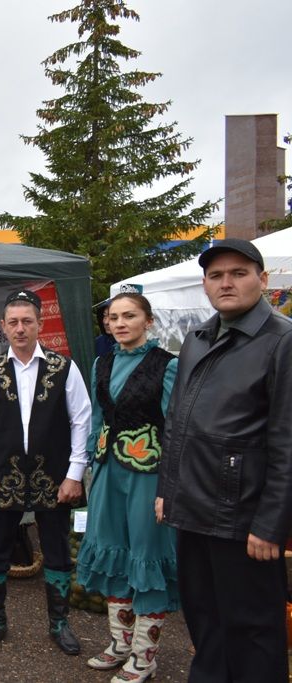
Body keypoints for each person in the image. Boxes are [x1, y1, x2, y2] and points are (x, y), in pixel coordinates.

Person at [155, 239, 292, 682]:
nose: (226, 283)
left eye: (238, 273)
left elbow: (288, 440)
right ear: (205, 285)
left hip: (244, 518)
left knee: (252, 632)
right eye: (216, 275)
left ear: (263, 280)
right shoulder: (197, 340)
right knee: (204, 622)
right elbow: (176, 423)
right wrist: (167, 492)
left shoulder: (283, 341)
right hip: (193, 509)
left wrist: (272, 523)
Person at [0, 289, 91, 655]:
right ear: (3, 327)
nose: (21, 329)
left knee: (56, 551)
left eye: (28, 322)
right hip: (1, 476)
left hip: (52, 476)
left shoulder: (63, 367)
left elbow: (81, 421)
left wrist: (74, 474)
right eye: (14, 322)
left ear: (40, 325)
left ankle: (59, 622)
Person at [77, 293, 178, 683]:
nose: (119, 323)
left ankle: (144, 656)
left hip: (148, 472)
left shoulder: (167, 365)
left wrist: (169, 485)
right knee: (114, 555)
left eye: (129, 316)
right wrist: (90, 463)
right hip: (107, 472)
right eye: (113, 317)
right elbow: (97, 418)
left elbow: (174, 428)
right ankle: (121, 643)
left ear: (148, 321)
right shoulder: (101, 362)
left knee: (146, 556)